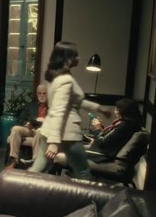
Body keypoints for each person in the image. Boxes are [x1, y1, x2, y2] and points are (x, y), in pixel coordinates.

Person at [28, 41, 112, 179]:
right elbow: (59, 110)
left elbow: (75, 101)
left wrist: (99, 108)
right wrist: (54, 142)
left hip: (50, 130)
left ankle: (19, 189)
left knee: (37, 169)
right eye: (76, 55)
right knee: (83, 172)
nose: (79, 57)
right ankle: (88, 197)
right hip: (67, 134)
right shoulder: (65, 80)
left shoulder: (56, 77)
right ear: (68, 58)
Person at [86, 98, 142, 162]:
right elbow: (111, 138)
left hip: (101, 155)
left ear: (124, 111)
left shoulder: (125, 127)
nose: (115, 112)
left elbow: (102, 143)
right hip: (101, 150)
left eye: (117, 110)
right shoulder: (129, 124)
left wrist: (98, 128)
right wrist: (101, 127)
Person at [6, 84, 48, 169]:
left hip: (42, 132)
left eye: (44, 93)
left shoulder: (52, 107)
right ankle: (14, 160)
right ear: (37, 94)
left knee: (39, 131)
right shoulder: (31, 105)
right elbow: (20, 120)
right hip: (29, 130)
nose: (41, 95)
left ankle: (35, 162)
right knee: (15, 129)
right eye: (39, 93)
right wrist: (27, 124)